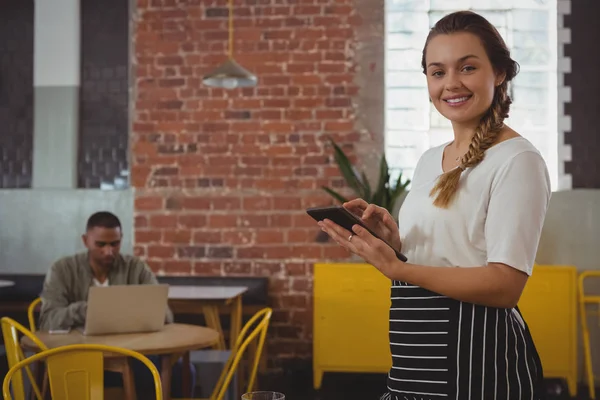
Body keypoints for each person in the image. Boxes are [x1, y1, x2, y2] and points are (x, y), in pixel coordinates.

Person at [318, 11, 550, 400]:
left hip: (479, 360)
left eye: (468, 67)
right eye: (437, 72)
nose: (451, 84)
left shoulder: (518, 160)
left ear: (498, 73)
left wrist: (397, 267)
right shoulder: (429, 160)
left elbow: (505, 286)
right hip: (413, 354)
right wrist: (394, 243)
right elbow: (442, 256)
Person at [39, 211, 195, 398]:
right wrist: (87, 310)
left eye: (115, 244)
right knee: (56, 376)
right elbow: (48, 320)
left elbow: (165, 315)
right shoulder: (62, 269)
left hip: (132, 356)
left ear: (121, 239)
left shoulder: (135, 268)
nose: (108, 251)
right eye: (100, 244)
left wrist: (128, 311)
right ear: (85, 240)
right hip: (79, 355)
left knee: (182, 372)